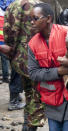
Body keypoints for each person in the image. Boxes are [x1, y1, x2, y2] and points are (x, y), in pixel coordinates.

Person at [28, 3, 68, 131]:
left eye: (35, 18)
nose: (31, 22)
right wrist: (58, 71)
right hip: (51, 98)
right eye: (30, 19)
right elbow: (33, 73)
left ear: (48, 19)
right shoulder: (32, 44)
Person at [3, 0, 46, 130]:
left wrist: (13, 52)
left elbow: (7, 32)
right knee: (36, 96)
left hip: (19, 57)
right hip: (37, 57)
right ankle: (30, 126)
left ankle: (27, 125)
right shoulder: (39, 5)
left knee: (29, 94)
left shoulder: (12, 6)